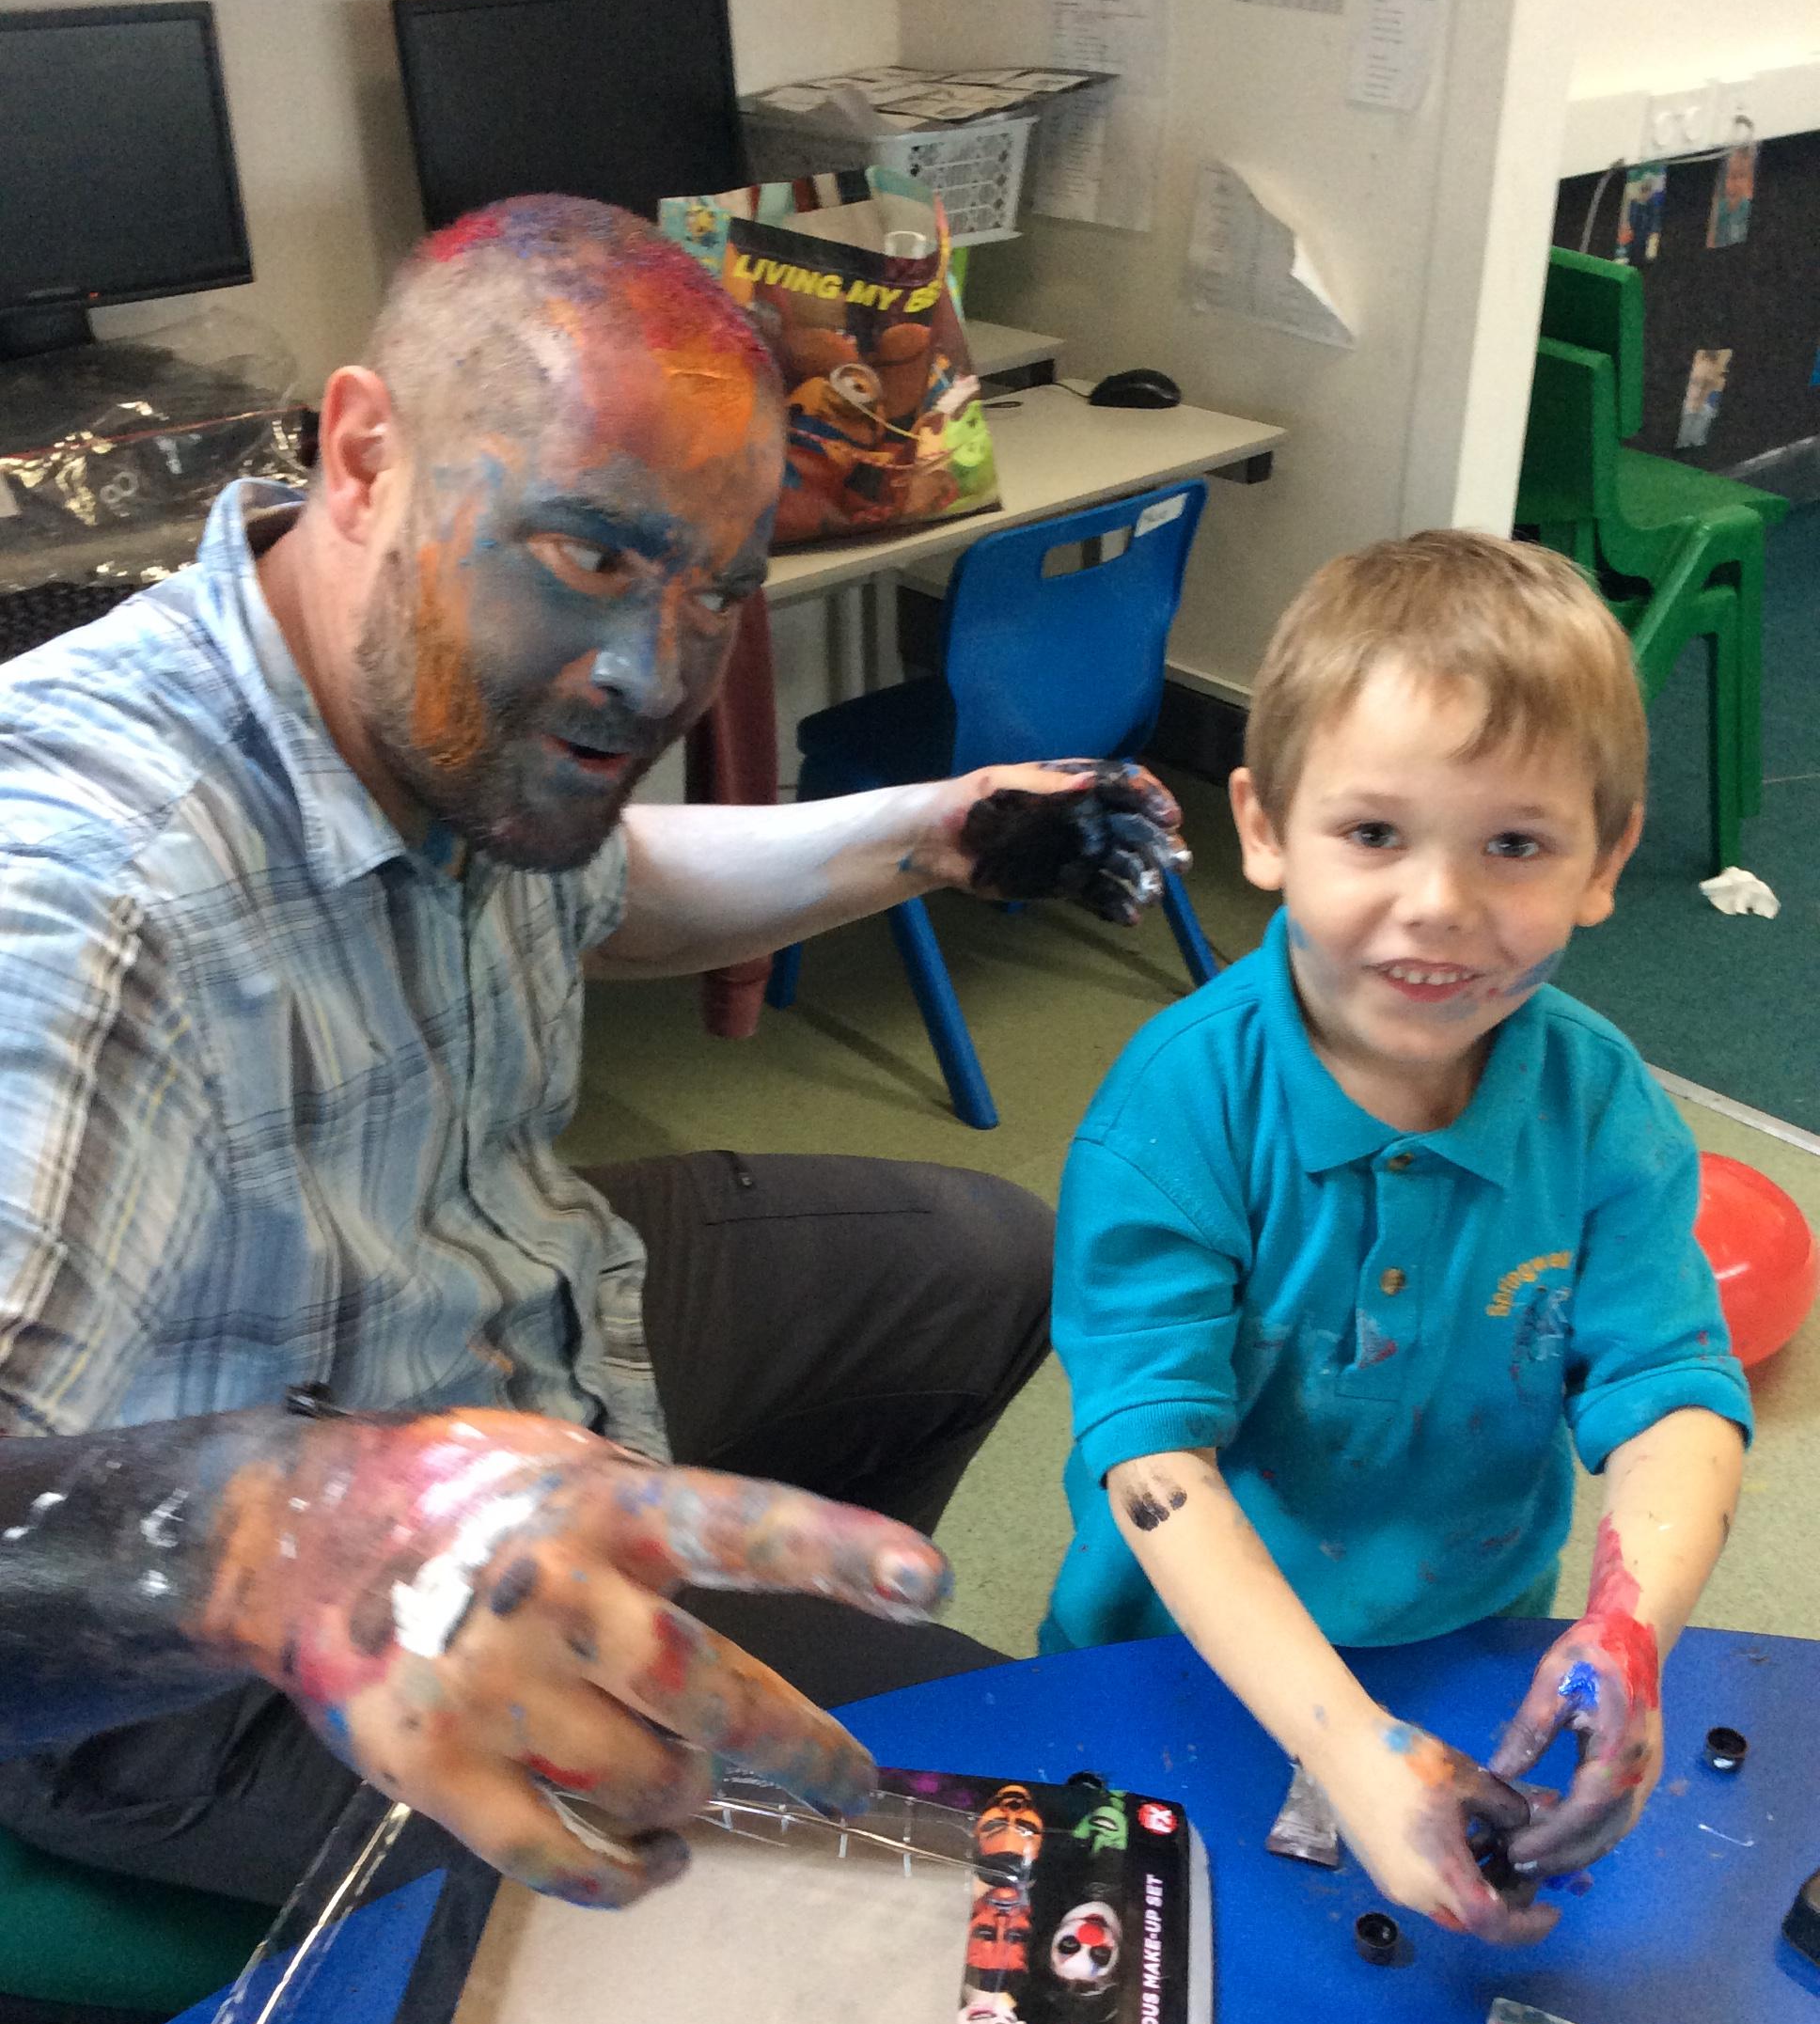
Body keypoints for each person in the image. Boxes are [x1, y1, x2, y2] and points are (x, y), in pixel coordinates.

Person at [0, 195, 1191, 1915]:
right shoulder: (83, 893)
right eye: (592, 556)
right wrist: (276, 1539)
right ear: (362, 455)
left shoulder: (436, 702)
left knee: (985, 1260)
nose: (656, 673)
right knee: (962, 1870)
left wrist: (932, 831)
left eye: (717, 592)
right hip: (212, 1669)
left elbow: (603, 882)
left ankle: (694, 1621)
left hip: (482, 1318)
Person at [1041, 531, 1750, 1944]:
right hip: (1179, 1652)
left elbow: (1670, 1388)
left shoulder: (1603, 1105)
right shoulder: (1174, 1115)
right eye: (1373, 834)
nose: (1440, 905)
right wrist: (1344, 1747)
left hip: (1471, 1641)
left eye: (1515, 845)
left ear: (1606, 859)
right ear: (1264, 828)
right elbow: (1155, 1458)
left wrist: (1632, 1631)